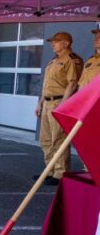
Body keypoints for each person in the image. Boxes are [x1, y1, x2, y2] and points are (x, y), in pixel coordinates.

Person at [36, 31, 83, 185]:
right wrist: (40, 103)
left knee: (58, 139)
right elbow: (47, 85)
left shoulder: (72, 60)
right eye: (52, 41)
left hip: (59, 102)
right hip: (47, 103)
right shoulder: (53, 61)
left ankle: (60, 173)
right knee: (46, 140)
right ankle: (49, 170)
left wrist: (63, 105)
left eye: (56, 41)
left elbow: (72, 83)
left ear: (66, 43)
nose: (53, 44)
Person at [78, 24, 100, 89]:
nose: (96, 39)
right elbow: (81, 84)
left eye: (99, 37)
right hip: (86, 94)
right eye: (96, 36)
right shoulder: (90, 60)